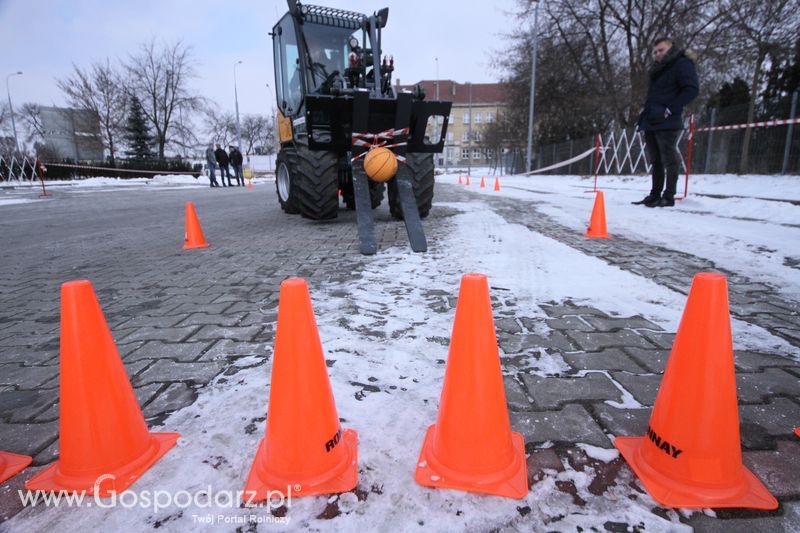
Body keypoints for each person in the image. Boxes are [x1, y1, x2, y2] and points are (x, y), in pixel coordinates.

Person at [633, 37, 699, 208]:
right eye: (655, 52)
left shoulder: (681, 64)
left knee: (669, 157)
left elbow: (691, 89)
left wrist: (670, 108)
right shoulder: (658, 70)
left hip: (667, 120)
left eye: (661, 50)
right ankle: (654, 195)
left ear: (670, 48)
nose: (657, 54)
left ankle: (669, 196)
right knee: (655, 160)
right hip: (651, 119)